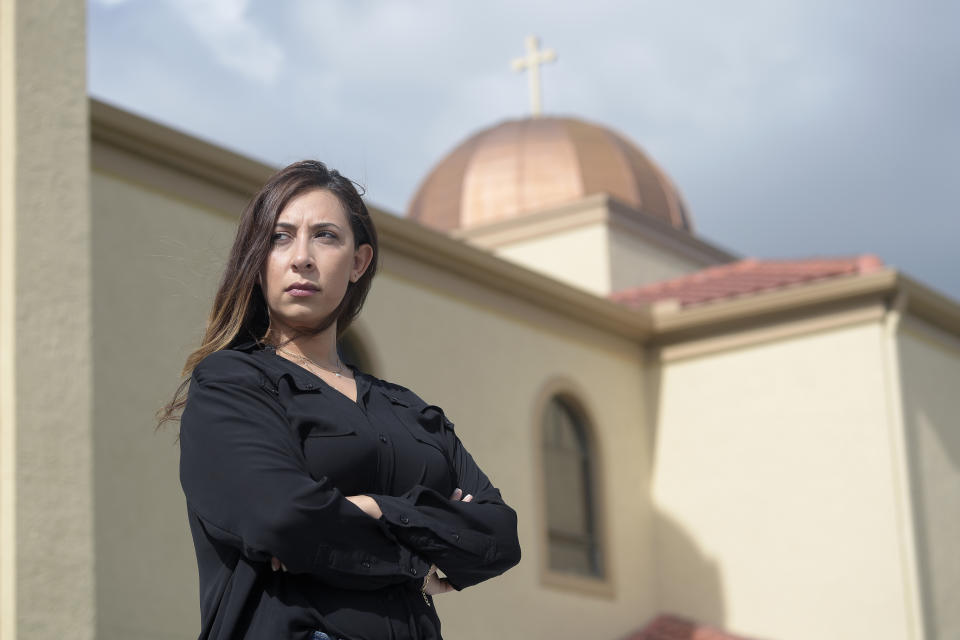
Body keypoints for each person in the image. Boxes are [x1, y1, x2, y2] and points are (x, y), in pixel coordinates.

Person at [158, 160, 522, 640]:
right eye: (280, 237)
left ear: (358, 262)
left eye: (325, 236)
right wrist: (423, 550)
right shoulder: (231, 384)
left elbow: (497, 535)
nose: (301, 257)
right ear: (257, 259)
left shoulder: (408, 411)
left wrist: (374, 507)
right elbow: (282, 518)